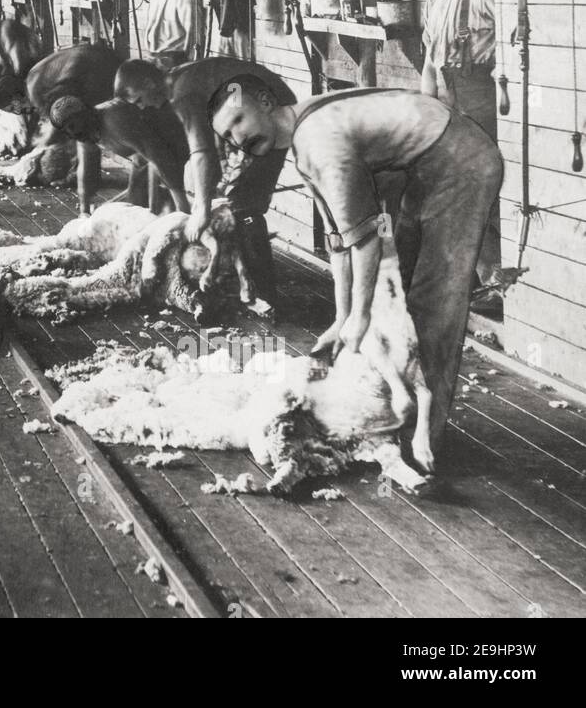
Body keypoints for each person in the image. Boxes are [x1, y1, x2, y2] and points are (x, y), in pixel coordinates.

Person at [208, 75, 503, 456]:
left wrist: (360, 318)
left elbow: (364, 242)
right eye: (227, 135)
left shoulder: (319, 142)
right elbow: (339, 243)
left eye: (238, 121)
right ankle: (403, 418)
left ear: (266, 102)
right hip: (424, 165)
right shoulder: (304, 141)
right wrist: (342, 317)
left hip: (460, 161)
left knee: (435, 300)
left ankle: (424, 441)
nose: (237, 139)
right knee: (403, 293)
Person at [115, 56, 295, 308]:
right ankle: (248, 281)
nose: (143, 107)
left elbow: (200, 153)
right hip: (265, 102)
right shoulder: (177, 76)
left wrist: (201, 208)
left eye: (140, 100)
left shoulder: (181, 94)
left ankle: (266, 297)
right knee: (236, 195)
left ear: (148, 82)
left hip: (267, 112)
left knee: (243, 207)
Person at [415, 0, 501, 298]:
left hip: (482, 102)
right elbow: (432, 65)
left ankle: (496, 279)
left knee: (482, 190)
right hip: (450, 106)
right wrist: (426, 112)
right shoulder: (433, 3)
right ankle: (483, 276)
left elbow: (516, 39)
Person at [47, 94, 191, 212]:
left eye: (72, 126)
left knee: (162, 210)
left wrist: (182, 206)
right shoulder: (85, 134)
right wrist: (84, 211)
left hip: (178, 136)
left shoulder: (114, 120)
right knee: (135, 200)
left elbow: (160, 157)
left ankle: (176, 204)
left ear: (85, 114)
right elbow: (86, 171)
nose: (72, 135)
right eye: (66, 132)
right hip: (147, 153)